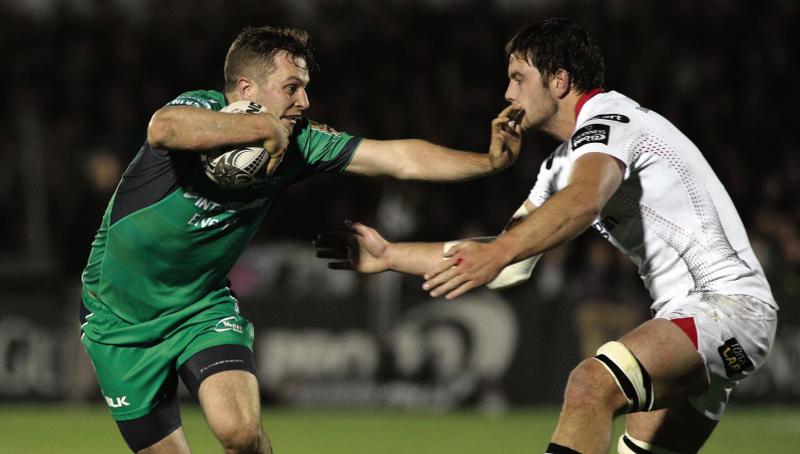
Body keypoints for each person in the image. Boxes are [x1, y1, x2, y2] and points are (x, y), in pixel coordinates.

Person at [315, 18, 778, 454]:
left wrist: (498, 251)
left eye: (518, 78)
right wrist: (390, 255)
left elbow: (583, 202)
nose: (507, 92)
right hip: (698, 324)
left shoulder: (610, 118)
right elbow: (508, 262)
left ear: (558, 81)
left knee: (590, 384)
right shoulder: (558, 166)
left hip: (728, 308)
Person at [78, 26, 522, 454]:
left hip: (200, 307)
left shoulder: (303, 143)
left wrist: (487, 162)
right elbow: (163, 128)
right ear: (248, 89)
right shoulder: (200, 110)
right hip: (115, 318)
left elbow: (398, 157)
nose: (304, 101)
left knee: (240, 433)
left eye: (305, 88)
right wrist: (262, 130)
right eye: (292, 87)